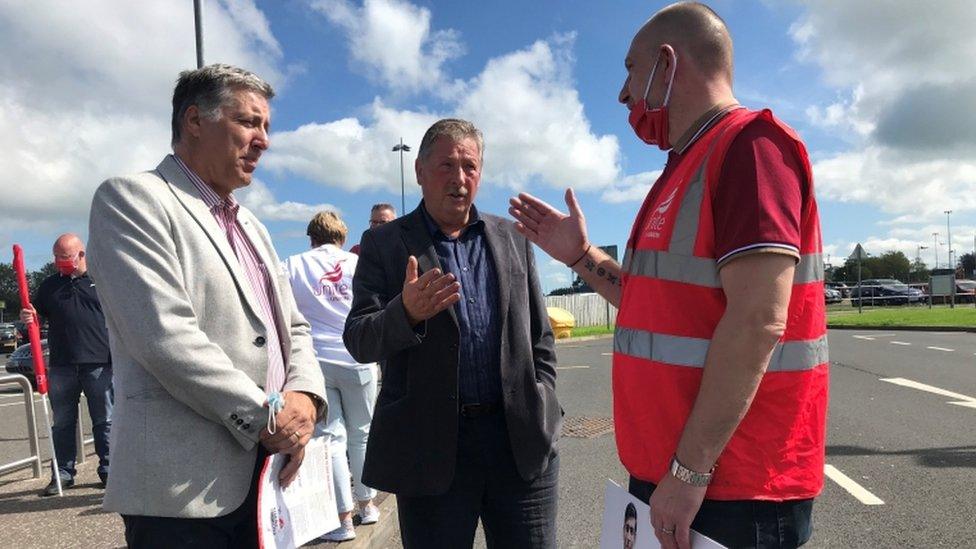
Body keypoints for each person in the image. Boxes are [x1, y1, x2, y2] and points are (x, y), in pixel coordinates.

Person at [508, 3, 828, 548]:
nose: (623, 94)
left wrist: (688, 474)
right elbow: (652, 305)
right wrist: (581, 256)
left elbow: (757, 321)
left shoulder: (751, 146)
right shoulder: (685, 165)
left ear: (666, 63)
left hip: (731, 489)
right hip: (678, 478)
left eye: (630, 70)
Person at [87, 64, 326, 548]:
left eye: (266, 127)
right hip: (183, 492)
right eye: (249, 122)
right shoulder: (133, 199)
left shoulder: (253, 226)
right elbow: (165, 338)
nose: (264, 140)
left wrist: (307, 400)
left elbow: (293, 329)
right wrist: (273, 420)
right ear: (194, 121)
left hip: (268, 477)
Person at [343, 118, 562, 548]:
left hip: (517, 444)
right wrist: (404, 312)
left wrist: (544, 398)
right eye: (446, 166)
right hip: (431, 453)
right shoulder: (384, 244)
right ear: (420, 172)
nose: (459, 179)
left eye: (470, 167)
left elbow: (541, 336)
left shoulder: (512, 238)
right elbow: (359, 339)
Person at [284, 211, 380, 542]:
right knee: (362, 434)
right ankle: (366, 505)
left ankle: (343, 519)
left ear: (312, 237)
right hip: (359, 357)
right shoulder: (356, 264)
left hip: (317, 361)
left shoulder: (293, 264)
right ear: (341, 236)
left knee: (332, 439)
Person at [21, 233, 112, 497]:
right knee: (62, 422)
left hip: (99, 362)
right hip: (61, 364)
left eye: (65, 257)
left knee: (105, 420)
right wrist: (29, 316)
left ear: (81, 255)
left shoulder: (102, 280)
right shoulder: (50, 286)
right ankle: (62, 473)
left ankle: (109, 470)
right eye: (56, 257)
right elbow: (34, 318)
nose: (59, 262)